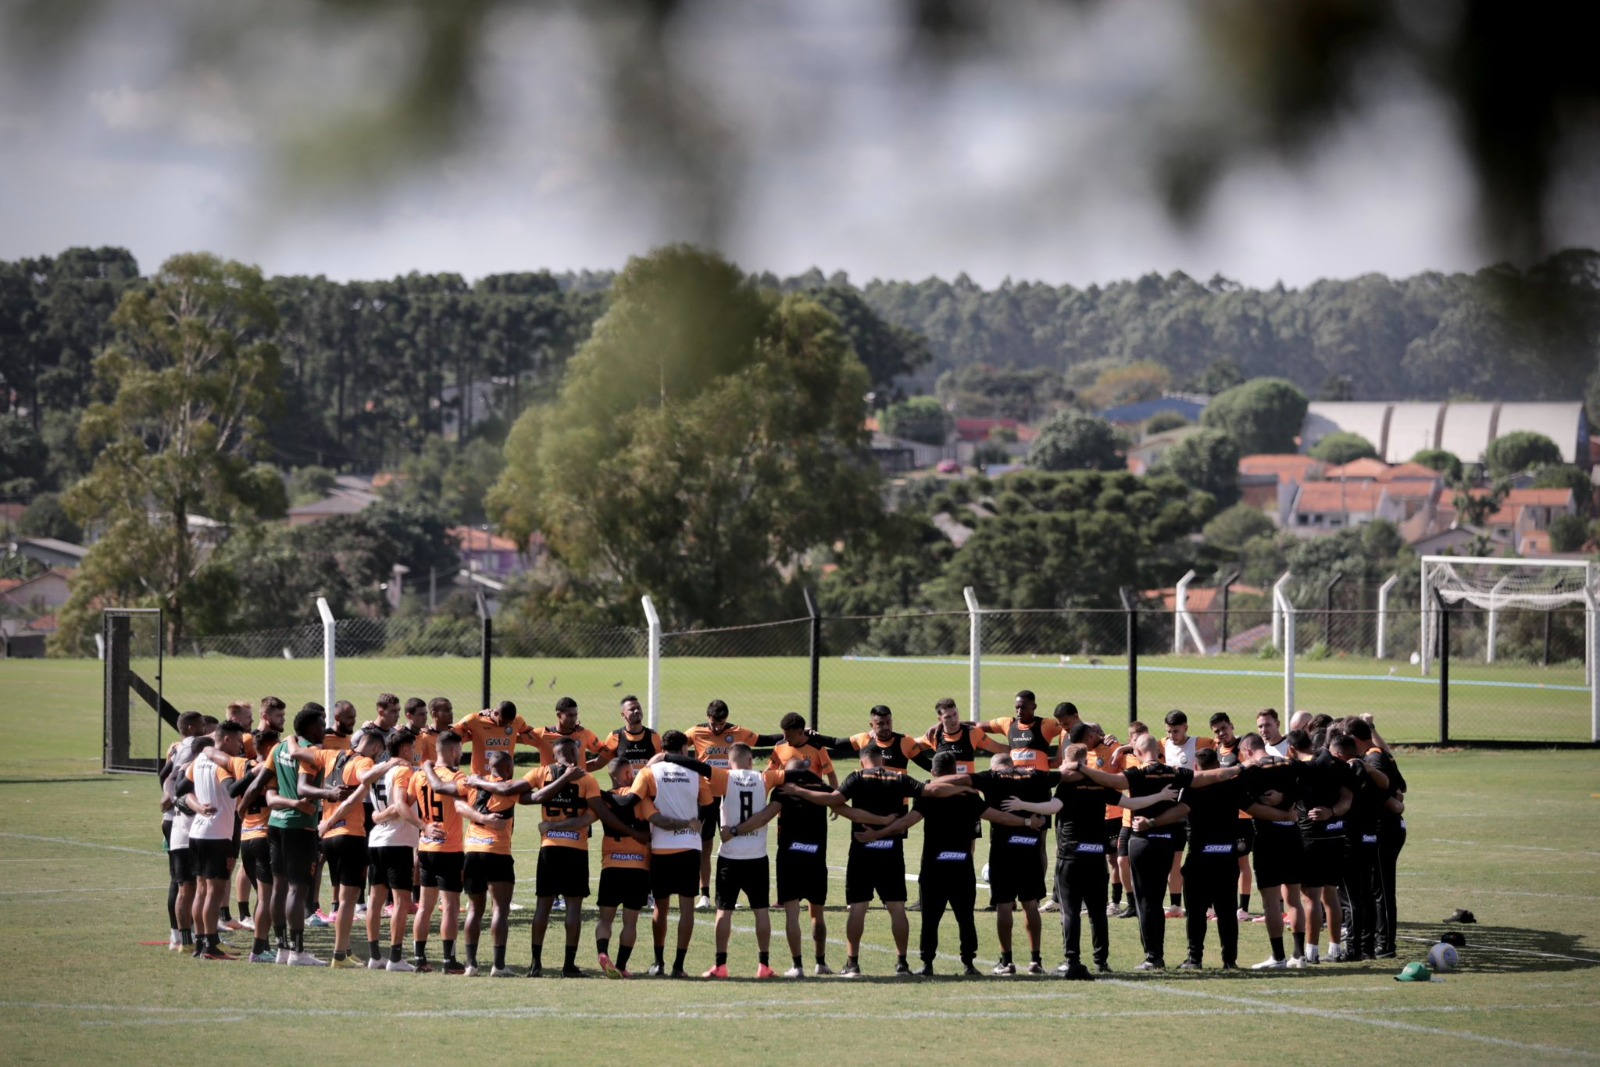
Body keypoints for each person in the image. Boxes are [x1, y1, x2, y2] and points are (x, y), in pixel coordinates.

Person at [1064, 732, 1242, 970]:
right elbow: (1209, 776)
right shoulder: (1175, 772)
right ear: (1158, 752)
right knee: (1159, 898)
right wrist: (1239, 769)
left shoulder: (1137, 773)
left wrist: (1080, 767)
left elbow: (1113, 782)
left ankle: (1154, 957)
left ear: (1137, 753)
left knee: (1147, 902)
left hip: (1143, 841)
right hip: (1167, 841)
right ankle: (1226, 960)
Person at [855, 752, 1042, 976]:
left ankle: (927, 964)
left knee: (930, 918)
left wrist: (878, 833)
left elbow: (906, 822)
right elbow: (998, 816)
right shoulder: (969, 795)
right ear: (956, 771)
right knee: (965, 918)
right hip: (962, 866)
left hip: (934, 868)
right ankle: (969, 964)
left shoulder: (928, 795)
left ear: (933, 772)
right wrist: (1027, 821)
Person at [1002, 738, 1176, 979]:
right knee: (1097, 911)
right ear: (1086, 761)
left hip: (1071, 855)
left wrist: (1022, 804)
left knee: (1070, 911)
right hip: (1096, 856)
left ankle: (1071, 959)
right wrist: (1161, 795)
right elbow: (1131, 803)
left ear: (1066, 762)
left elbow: (1052, 808)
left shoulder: (1067, 786)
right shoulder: (1099, 784)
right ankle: (1101, 961)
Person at [461, 737, 595, 976]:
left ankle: (533, 964)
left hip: (545, 848)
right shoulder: (587, 778)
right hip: (575, 848)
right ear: (575, 753)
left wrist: (477, 781)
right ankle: (567, 965)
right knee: (573, 906)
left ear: (554, 756)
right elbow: (593, 810)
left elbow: (452, 795)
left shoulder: (540, 773)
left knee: (541, 905)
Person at [1176, 747, 1296, 970]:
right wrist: (1287, 815)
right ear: (1218, 766)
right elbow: (1257, 809)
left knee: (1195, 913)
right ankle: (1229, 960)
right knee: (1227, 913)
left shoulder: (1191, 787)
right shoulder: (1232, 785)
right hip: (1226, 859)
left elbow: (1176, 811)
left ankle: (1195, 959)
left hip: (1199, 860)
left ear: (1196, 768)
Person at [832, 744, 925, 976]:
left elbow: (836, 802)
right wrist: (893, 824)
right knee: (897, 907)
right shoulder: (899, 778)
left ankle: (852, 964)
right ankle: (902, 963)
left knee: (858, 907)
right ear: (881, 760)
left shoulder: (856, 777)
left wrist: (873, 821)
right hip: (891, 851)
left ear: (863, 761)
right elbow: (926, 794)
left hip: (862, 851)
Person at [266, 703, 346, 965]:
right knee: (297, 889)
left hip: (276, 823)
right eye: (321, 725)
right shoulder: (311, 752)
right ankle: (298, 952)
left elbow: (266, 782)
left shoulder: (279, 748)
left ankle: (282, 949)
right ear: (310, 727)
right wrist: (329, 793)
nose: (325, 729)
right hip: (300, 825)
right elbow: (303, 789)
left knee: (279, 887)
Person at [685, 700, 782, 910]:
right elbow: (678, 745)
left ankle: (731, 891)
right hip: (706, 796)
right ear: (707, 717)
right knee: (705, 843)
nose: (717, 728)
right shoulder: (696, 732)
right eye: (714, 723)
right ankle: (705, 895)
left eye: (721, 724)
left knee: (730, 837)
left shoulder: (738, 732)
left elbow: (763, 739)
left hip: (731, 793)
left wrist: (790, 734)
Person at [628, 731, 710, 977]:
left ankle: (658, 962)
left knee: (660, 909)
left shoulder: (648, 773)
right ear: (685, 749)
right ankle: (679, 966)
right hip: (690, 847)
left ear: (662, 749)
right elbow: (708, 805)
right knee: (687, 909)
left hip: (661, 848)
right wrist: (695, 824)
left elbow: (632, 798)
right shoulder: (697, 774)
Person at [969, 751, 1057, 975]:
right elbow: (1061, 777)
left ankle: (1006, 961)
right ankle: (1035, 960)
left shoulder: (992, 779)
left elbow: (962, 781)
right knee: (1031, 905)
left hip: (1003, 851)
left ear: (994, 767)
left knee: (1004, 906)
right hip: (1030, 850)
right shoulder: (1035, 777)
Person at [704, 742, 783, 978]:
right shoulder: (764, 778)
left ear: (730, 762)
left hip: (730, 855)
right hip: (757, 856)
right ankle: (764, 965)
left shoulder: (724, 778)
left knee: (723, 911)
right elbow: (795, 771)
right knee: (761, 911)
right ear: (751, 761)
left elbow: (700, 772)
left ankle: (720, 965)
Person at [1237, 732, 1309, 969]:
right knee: (1294, 899)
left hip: (1268, 838)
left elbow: (1250, 807)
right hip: (1292, 835)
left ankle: (1278, 957)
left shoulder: (1251, 770)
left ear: (1246, 750)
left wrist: (1282, 812)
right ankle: (1300, 957)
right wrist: (1288, 808)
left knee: (1270, 901)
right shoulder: (1289, 764)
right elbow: (1305, 791)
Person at [318, 728, 388, 967]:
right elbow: (367, 775)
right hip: (350, 835)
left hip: (329, 837)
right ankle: (339, 954)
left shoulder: (332, 756)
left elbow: (301, 753)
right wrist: (391, 764)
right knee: (348, 900)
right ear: (377, 749)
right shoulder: (364, 761)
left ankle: (345, 950)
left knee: (341, 898)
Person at [457, 749, 521, 977]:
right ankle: (499, 965)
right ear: (507, 769)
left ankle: (471, 965)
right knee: (500, 910)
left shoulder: (473, 784)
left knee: (474, 909)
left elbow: (455, 801)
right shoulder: (510, 787)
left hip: (472, 850)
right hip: (497, 851)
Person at [366, 727, 425, 971]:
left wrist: (378, 817)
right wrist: (423, 827)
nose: (415, 752)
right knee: (402, 901)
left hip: (377, 841)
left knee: (375, 899)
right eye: (413, 747)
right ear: (404, 749)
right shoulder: (402, 771)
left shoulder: (378, 772)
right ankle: (396, 958)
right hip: (396, 841)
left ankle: (374, 956)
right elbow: (401, 805)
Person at [1295, 730, 1355, 964]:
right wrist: (1331, 812)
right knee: (1330, 895)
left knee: (1311, 897)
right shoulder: (1343, 769)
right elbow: (1346, 801)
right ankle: (1335, 949)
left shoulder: (1305, 768)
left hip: (1311, 839)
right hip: (1337, 837)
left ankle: (1310, 952)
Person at [1351, 715, 1406, 958]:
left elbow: (1391, 793)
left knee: (1382, 890)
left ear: (1354, 739)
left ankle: (1386, 945)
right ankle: (1377, 940)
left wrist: (1390, 802)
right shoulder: (1377, 754)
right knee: (1376, 889)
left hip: (1385, 829)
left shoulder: (1374, 759)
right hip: (1381, 828)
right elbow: (1400, 787)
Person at [413, 730, 467, 973]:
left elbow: (402, 804)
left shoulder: (419, 776)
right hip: (449, 848)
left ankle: (419, 958)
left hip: (425, 846)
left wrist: (423, 826)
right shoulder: (457, 776)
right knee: (451, 906)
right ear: (454, 750)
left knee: (425, 907)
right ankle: (449, 961)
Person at [592, 758, 652, 978]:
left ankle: (602, 952)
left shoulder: (603, 799)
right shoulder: (641, 797)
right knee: (630, 921)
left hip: (611, 865)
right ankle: (622, 965)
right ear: (627, 774)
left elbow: (588, 818)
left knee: (605, 919)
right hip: (638, 866)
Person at [160, 711, 208, 952]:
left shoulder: (180, 748)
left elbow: (166, 775)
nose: (204, 728)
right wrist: (173, 800)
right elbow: (176, 780)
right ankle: (183, 937)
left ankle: (182, 937)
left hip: (178, 823)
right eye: (201, 725)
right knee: (186, 884)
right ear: (190, 728)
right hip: (184, 827)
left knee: (185, 884)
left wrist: (167, 798)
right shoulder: (189, 749)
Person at [239, 727, 281, 962]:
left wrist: (241, 811)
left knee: (263, 897)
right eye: (277, 745)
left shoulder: (246, 768)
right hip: (263, 836)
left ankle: (263, 944)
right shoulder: (268, 771)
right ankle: (258, 950)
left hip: (246, 836)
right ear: (268, 748)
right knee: (267, 898)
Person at [1209, 711, 1256, 922]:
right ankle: (1217, 906)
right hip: (1221, 815)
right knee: (1221, 861)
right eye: (1217, 731)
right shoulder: (1215, 749)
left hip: (1243, 816)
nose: (1221, 733)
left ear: (1232, 726)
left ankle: (1243, 908)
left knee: (1242, 861)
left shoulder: (1243, 749)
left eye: (1224, 728)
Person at [814, 704, 933, 773]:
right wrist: (812, 735)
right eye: (880, 724)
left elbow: (927, 765)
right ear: (872, 725)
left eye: (888, 722)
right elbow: (836, 743)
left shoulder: (905, 741)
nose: (886, 727)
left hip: (898, 802)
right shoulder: (864, 739)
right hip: (869, 800)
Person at [453, 700, 538, 776]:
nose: (507, 725)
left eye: (510, 723)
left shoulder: (518, 721)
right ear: (496, 713)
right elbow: (454, 730)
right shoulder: (474, 720)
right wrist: (470, 737)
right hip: (479, 778)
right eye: (503, 722)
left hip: (504, 777)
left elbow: (528, 730)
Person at [528, 696, 604, 770]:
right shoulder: (541, 734)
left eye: (575, 715)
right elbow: (516, 737)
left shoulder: (584, 734)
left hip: (579, 782)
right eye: (570, 715)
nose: (574, 719)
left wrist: (587, 766)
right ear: (559, 715)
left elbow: (605, 750)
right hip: (551, 782)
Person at [596, 694, 661, 768]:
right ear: (623, 715)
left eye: (638, 708)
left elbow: (662, 764)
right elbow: (597, 764)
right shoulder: (614, 737)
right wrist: (580, 768)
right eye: (632, 709)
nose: (636, 711)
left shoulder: (653, 736)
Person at [414, 697, 454, 767]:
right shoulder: (425, 737)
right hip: (433, 776)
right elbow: (415, 760)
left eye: (451, 710)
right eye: (447, 710)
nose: (451, 713)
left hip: (453, 777)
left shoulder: (455, 732)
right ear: (434, 714)